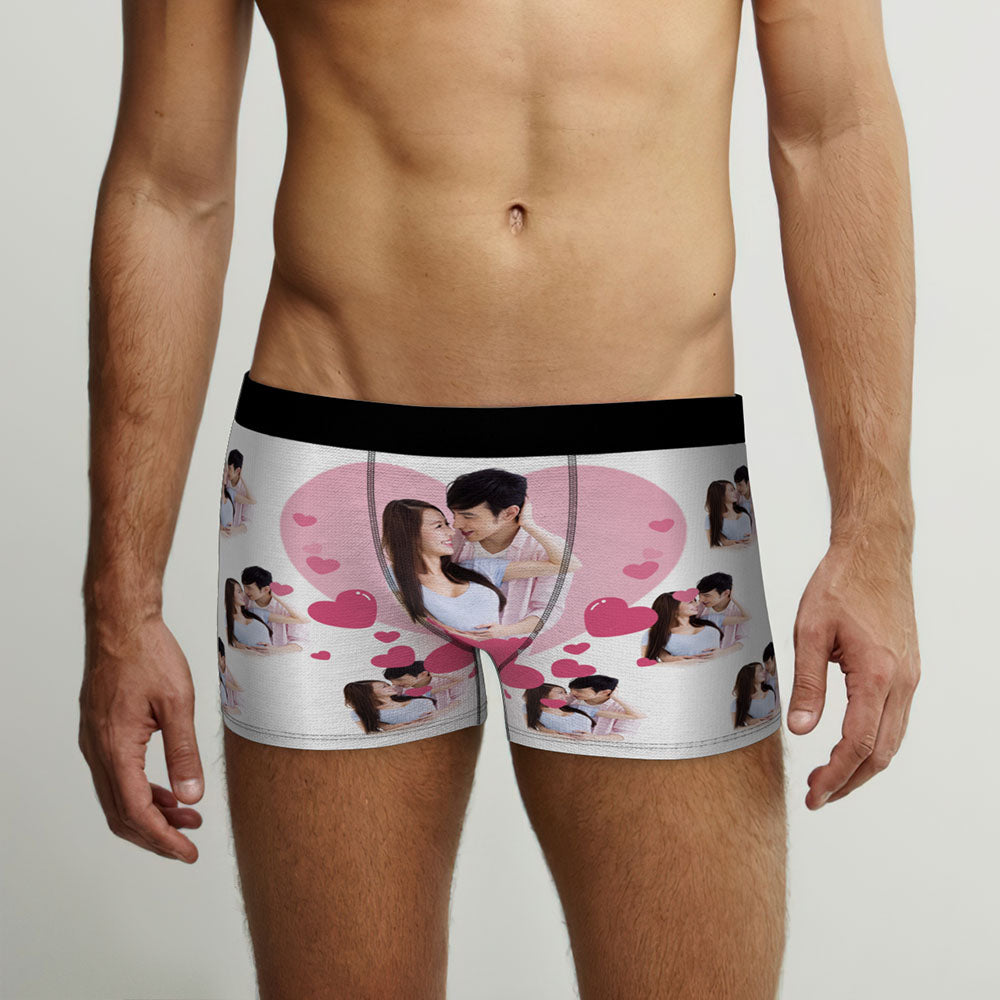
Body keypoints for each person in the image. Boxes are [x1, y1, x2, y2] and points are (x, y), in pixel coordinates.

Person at [78, 3, 921, 998]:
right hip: (332, 475)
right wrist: (121, 606)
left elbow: (833, 131)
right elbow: (168, 186)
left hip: (648, 480)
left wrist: (876, 535)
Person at [380, 497, 580, 638]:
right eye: (439, 526)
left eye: (447, 524)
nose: (451, 532)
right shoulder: (394, 577)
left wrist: (529, 525)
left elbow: (567, 565)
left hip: (497, 654)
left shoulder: (478, 569)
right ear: (409, 534)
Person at [448, 468, 572, 634]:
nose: (456, 524)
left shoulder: (549, 550)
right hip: (451, 634)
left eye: (468, 516)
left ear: (509, 513)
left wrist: (505, 631)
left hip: (511, 641)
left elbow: (548, 609)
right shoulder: (453, 539)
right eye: (454, 514)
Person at [640, 592, 726, 663]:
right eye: (690, 602)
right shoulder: (654, 634)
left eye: (695, 601)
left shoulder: (708, 620)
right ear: (674, 609)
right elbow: (647, 664)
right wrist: (669, 658)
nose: (697, 604)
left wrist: (724, 653)